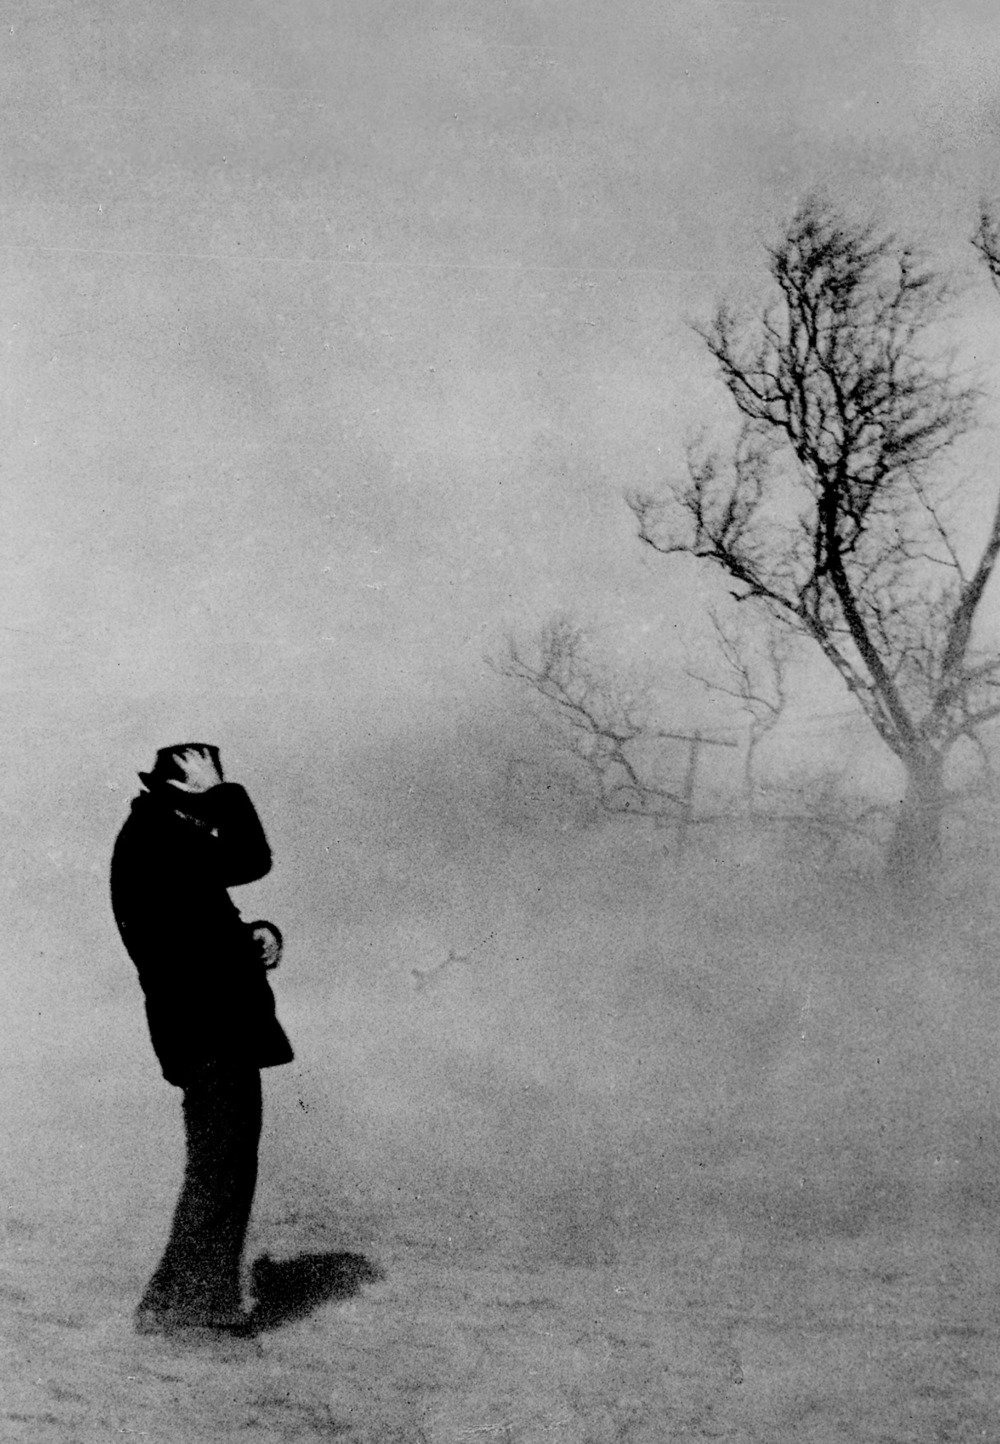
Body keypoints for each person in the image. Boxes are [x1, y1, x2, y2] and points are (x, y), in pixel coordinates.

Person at [110, 743, 294, 1336]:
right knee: (221, 1167)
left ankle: (174, 1305)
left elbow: (209, 913)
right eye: (201, 804)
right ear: (182, 796)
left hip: (205, 1022)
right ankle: (192, 1312)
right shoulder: (156, 836)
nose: (209, 821)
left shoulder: (165, 838)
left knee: (221, 1165)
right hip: (206, 1024)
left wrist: (256, 932)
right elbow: (248, 861)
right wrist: (226, 791)